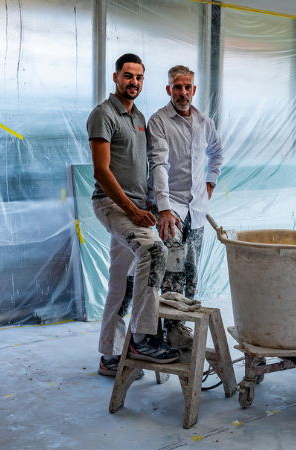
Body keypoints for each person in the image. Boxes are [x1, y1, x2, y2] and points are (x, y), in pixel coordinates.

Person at [87, 53, 181, 377]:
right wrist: (134, 211)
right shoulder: (103, 114)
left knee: (119, 282)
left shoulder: (139, 118)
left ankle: (110, 357)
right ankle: (142, 338)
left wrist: (152, 206)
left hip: (136, 208)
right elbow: (101, 172)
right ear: (115, 78)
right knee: (154, 251)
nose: (134, 83)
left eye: (139, 78)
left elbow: (144, 169)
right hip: (112, 205)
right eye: (128, 76)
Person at [146, 65, 224, 349]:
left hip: (198, 210)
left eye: (187, 87)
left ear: (194, 89)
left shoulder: (205, 122)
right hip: (172, 208)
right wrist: (164, 209)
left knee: (191, 271)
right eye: (177, 87)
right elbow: (159, 164)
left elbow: (217, 153)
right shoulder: (159, 121)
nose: (182, 92)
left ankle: (183, 328)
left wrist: (210, 184)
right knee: (173, 267)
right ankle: (172, 328)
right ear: (169, 90)